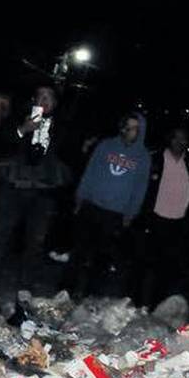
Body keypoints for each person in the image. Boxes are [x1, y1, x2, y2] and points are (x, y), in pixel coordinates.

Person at [0, 86, 72, 288]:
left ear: (55, 103)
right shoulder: (16, 119)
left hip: (43, 191)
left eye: (49, 97)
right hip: (14, 187)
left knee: (35, 242)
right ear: (33, 100)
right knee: (0, 235)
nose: (44, 100)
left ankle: (26, 285)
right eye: (40, 96)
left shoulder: (63, 127)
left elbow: (70, 158)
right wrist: (22, 130)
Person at [62, 112, 151, 297]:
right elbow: (90, 171)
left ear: (140, 131)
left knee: (102, 258)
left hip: (115, 213)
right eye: (128, 126)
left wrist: (131, 213)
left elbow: (141, 187)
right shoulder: (106, 145)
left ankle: (90, 297)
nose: (129, 131)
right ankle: (65, 291)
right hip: (92, 206)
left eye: (135, 128)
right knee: (79, 252)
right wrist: (80, 196)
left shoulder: (143, 157)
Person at [133, 127, 189, 306]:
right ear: (170, 139)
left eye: (183, 139)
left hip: (176, 223)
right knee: (143, 264)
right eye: (176, 138)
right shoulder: (156, 158)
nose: (180, 142)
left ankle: (156, 306)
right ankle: (136, 303)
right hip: (154, 218)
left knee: (166, 269)